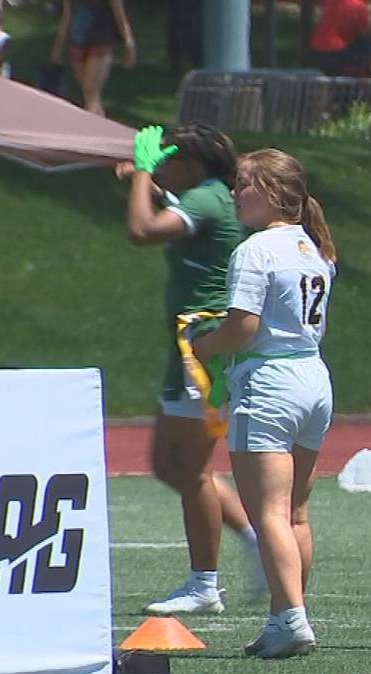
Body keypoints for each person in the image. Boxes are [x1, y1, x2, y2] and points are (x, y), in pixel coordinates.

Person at [190, 148, 336, 658]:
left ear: (273, 192)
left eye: (245, 184)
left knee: (269, 511)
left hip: (270, 381)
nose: (234, 193)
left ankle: (291, 618)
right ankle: (286, 613)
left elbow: (244, 327)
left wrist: (205, 346)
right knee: (295, 511)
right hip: (313, 377)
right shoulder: (313, 247)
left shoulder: (255, 250)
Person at [116, 123, 247, 617]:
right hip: (187, 347)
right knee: (168, 465)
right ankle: (253, 537)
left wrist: (143, 175)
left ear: (194, 162)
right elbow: (167, 204)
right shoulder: (204, 194)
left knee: (191, 471)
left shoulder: (209, 199)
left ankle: (205, 583)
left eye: (171, 157)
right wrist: (147, 179)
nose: (163, 165)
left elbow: (141, 230)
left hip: (202, 351)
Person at [308, 0, 371, 104]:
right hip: (336, 53)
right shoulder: (357, 5)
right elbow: (366, 33)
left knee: (365, 47)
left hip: (317, 52)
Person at [51, 0, 136, 116]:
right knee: (89, 95)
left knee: (91, 91)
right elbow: (67, 16)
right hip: (77, 43)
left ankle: (89, 126)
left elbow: (120, 18)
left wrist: (128, 44)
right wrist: (58, 47)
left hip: (100, 43)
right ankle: (100, 128)